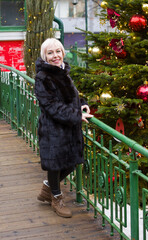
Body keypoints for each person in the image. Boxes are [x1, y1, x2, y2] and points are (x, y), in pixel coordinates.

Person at [34, 38, 93, 218]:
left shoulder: (62, 71)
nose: (55, 56)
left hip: (68, 128)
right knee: (55, 165)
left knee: (72, 163)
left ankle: (48, 189)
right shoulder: (42, 77)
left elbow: (68, 96)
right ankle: (56, 198)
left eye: (58, 51)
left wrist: (81, 104)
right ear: (45, 57)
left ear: (63, 52)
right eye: (50, 53)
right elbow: (51, 106)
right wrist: (76, 116)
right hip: (53, 129)